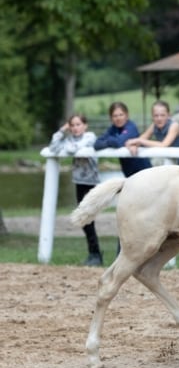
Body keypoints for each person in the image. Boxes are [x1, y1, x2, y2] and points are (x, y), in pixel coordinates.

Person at [126, 100, 179, 261]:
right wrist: (136, 144)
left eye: (162, 115)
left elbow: (163, 145)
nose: (158, 118)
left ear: (168, 115)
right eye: (155, 115)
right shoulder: (155, 126)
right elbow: (142, 139)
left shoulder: (174, 125)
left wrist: (140, 142)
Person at [48, 114, 103, 266]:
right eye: (72, 125)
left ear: (85, 125)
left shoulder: (90, 137)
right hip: (79, 182)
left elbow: (74, 149)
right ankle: (94, 253)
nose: (75, 128)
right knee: (84, 219)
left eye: (78, 124)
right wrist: (62, 130)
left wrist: (67, 146)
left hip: (91, 183)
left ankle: (96, 254)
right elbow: (53, 147)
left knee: (88, 219)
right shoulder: (70, 138)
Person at [94, 101, 152, 177]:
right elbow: (96, 144)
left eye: (121, 115)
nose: (118, 118)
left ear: (127, 115)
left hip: (143, 170)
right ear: (111, 118)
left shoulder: (131, 127)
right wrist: (110, 142)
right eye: (115, 116)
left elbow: (118, 142)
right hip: (128, 172)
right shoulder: (112, 129)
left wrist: (110, 140)